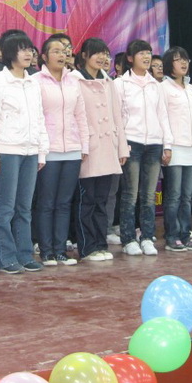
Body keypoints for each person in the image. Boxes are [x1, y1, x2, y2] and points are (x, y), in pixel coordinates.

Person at [0, 34, 49, 273]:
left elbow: (39, 118)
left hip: (31, 151)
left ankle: (25, 255)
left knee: (24, 207)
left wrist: (42, 152)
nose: (28, 53)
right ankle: (6, 258)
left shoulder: (33, 82)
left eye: (30, 49)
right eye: (22, 49)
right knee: (6, 207)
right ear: (11, 53)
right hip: (7, 151)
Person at [31, 37, 89, 266]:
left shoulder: (74, 81)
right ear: (44, 56)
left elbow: (81, 115)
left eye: (64, 51)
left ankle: (60, 250)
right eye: (55, 51)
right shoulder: (35, 81)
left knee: (64, 203)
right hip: (48, 150)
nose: (61, 55)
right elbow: (35, 117)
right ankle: (46, 250)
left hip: (72, 149)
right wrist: (40, 148)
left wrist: (84, 146)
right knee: (46, 202)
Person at [113, 39, 172, 256]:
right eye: (141, 53)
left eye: (148, 53)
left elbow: (163, 115)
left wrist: (167, 145)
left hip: (154, 143)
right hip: (132, 142)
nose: (146, 57)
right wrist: (121, 145)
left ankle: (147, 237)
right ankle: (128, 239)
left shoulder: (156, 85)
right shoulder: (120, 84)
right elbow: (117, 118)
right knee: (130, 194)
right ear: (130, 58)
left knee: (148, 195)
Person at [72, 38, 128, 261]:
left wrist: (121, 148)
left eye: (105, 53)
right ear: (84, 55)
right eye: (96, 53)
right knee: (86, 200)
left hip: (107, 148)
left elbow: (117, 116)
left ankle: (100, 244)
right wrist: (81, 145)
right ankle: (87, 248)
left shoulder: (108, 82)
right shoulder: (75, 80)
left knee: (102, 200)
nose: (102, 57)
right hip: (88, 149)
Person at [160, 46, 192, 252]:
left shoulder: (191, 89)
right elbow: (163, 118)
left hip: (191, 148)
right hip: (174, 147)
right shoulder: (163, 87)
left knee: (187, 196)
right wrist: (167, 146)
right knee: (174, 195)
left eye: (186, 59)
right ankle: (172, 236)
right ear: (169, 64)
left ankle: (186, 235)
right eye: (178, 60)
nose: (184, 63)